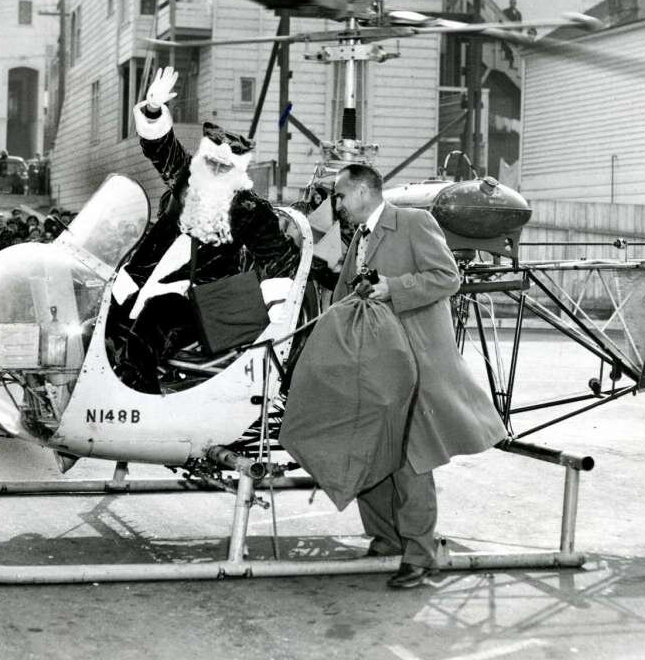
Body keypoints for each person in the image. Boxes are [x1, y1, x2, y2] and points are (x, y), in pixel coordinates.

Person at [331, 163, 507, 589]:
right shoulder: (359, 237)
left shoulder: (412, 222)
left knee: (411, 460)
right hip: (374, 367)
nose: (336, 205)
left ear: (360, 192)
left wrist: (395, 287)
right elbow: (343, 296)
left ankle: (420, 554)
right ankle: (387, 537)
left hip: (414, 365)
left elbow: (447, 278)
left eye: (339, 196)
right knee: (369, 453)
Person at [106, 67, 298, 393]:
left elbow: (280, 261)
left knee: (155, 317)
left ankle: (138, 397)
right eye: (210, 163)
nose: (214, 172)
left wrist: (279, 317)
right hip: (139, 283)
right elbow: (161, 147)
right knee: (100, 323)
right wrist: (153, 110)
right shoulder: (185, 180)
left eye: (223, 168)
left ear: (237, 173)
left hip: (197, 303)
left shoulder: (251, 211)